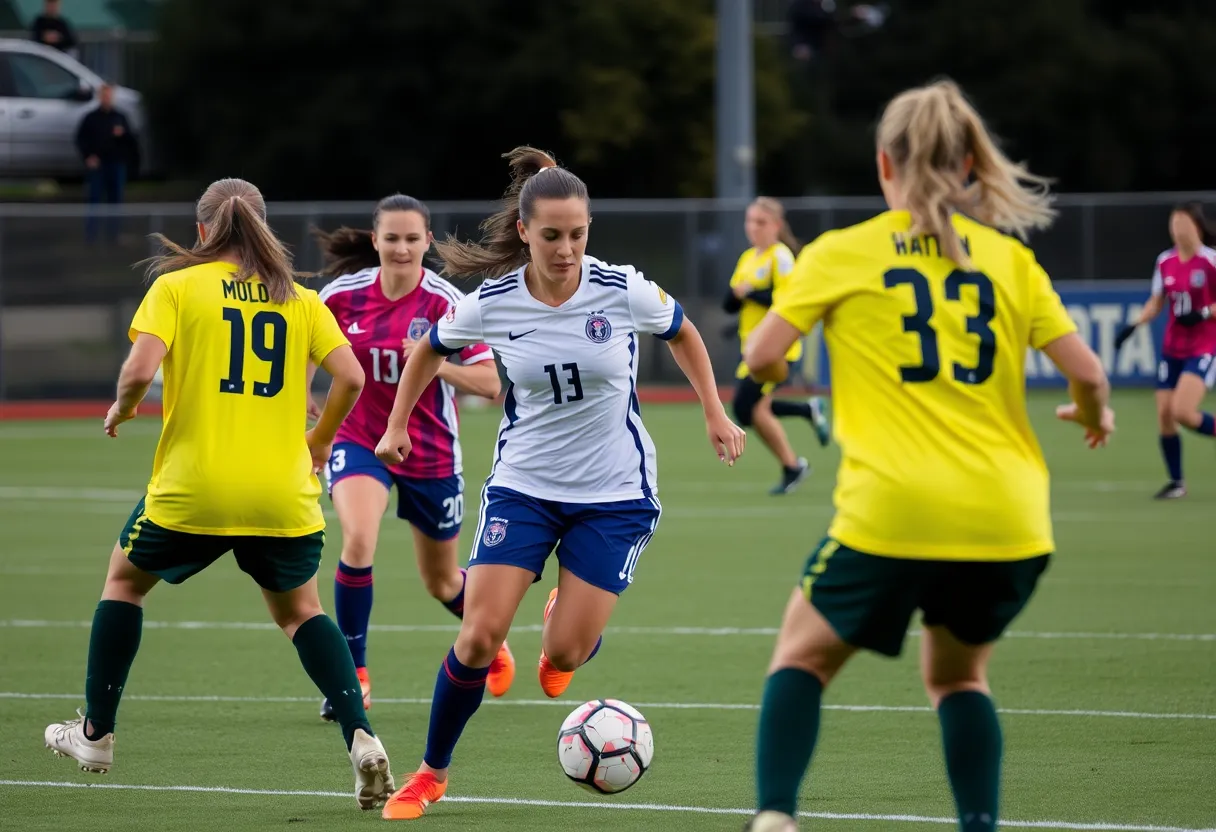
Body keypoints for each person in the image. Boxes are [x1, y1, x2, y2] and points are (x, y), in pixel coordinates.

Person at [739, 80, 1114, 832]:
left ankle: (775, 817)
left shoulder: (843, 254)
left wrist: (774, 373)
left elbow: (762, 353)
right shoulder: (1010, 262)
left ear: (885, 164)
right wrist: (1092, 415)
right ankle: (979, 825)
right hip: (1007, 518)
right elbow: (1090, 373)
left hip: (893, 511)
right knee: (957, 676)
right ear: (970, 167)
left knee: (801, 659)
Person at [373, 147, 746, 820]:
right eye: (552, 235)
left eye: (578, 233)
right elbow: (429, 349)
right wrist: (397, 423)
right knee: (479, 638)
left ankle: (560, 626)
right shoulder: (492, 303)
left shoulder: (620, 287)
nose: (568, 248)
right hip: (524, 488)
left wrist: (713, 411)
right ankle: (431, 772)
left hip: (615, 496)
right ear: (524, 231)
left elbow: (683, 332)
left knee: (566, 654)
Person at [42, 178, 396, 811]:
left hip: (193, 491)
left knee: (124, 584)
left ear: (203, 230)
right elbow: (352, 376)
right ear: (261, 227)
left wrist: (120, 410)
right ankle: (362, 737)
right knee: (302, 614)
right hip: (281, 495)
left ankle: (95, 734)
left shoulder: (176, 286)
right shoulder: (300, 298)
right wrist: (319, 443)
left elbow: (138, 372)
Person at [310, 195, 512, 721]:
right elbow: (297, 354)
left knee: (442, 583)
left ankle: (487, 634)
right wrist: (311, 417)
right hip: (361, 442)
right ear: (374, 241)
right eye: (391, 238)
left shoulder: (446, 303)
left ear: (427, 242)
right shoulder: (340, 298)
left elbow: (490, 383)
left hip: (430, 452)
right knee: (357, 539)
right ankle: (351, 677)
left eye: (412, 238)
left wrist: (434, 362)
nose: (401, 248)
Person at [724, 196, 830, 494]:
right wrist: (738, 297)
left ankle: (794, 462)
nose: (753, 227)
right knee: (754, 410)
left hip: (779, 351)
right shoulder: (749, 258)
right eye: (750, 221)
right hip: (753, 351)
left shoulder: (780, 256)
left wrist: (751, 293)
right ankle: (794, 459)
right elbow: (730, 303)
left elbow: (787, 301)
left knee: (745, 407)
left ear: (776, 225)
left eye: (761, 222)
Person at [1114, 203, 1216, 500]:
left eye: (1182, 223)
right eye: (1173, 224)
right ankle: (1176, 482)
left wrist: (1205, 314)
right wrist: (1133, 326)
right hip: (1173, 348)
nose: (1177, 229)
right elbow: (1156, 302)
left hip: (1204, 347)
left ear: (1196, 226)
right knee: (1164, 414)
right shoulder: (1165, 262)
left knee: (1183, 411)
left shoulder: (1210, 261)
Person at [75, 84, 134, 244]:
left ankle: (114, 235)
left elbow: (131, 140)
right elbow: (81, 139)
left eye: (110, 95)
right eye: (104, 95)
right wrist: (88, 157)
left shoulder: (120, 117)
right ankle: (91, 236)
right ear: (100, 97)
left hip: (116, 164)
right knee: (94, 200)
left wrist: (123, 135)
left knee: (116, 201)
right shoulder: (91, 118)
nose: (107, 98)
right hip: (98, 166)